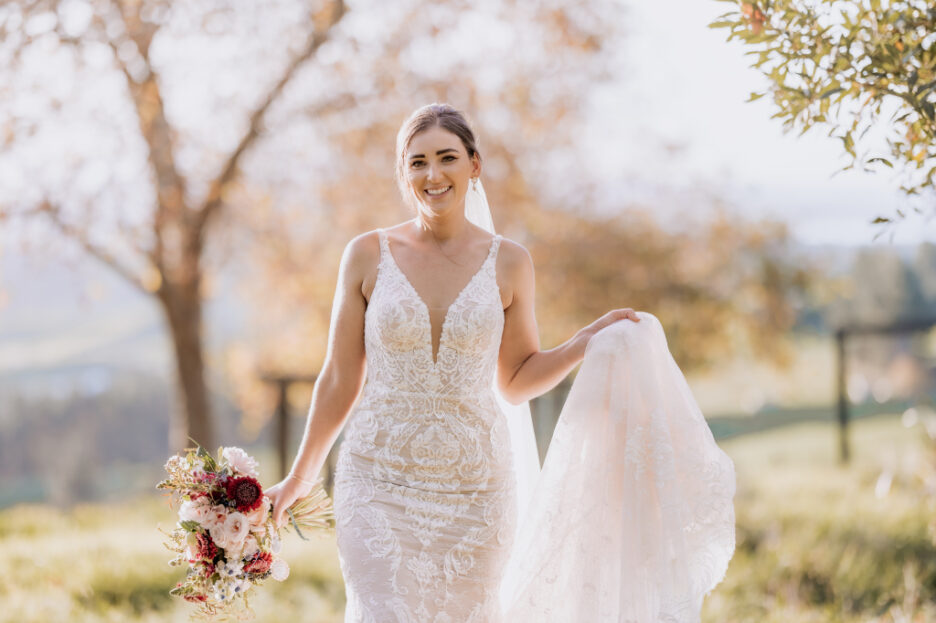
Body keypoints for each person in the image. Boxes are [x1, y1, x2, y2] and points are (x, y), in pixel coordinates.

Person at [265, 103, 735, 622]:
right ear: (404, 173)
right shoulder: (365, 255)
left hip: (477, 490)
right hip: (379, 483)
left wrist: (580, 342)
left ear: (474, 165)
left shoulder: (510, 261)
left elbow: (514, 380)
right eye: (418, 162)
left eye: (447, 158)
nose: (433, 174)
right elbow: (338, 377)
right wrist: (300, 479)